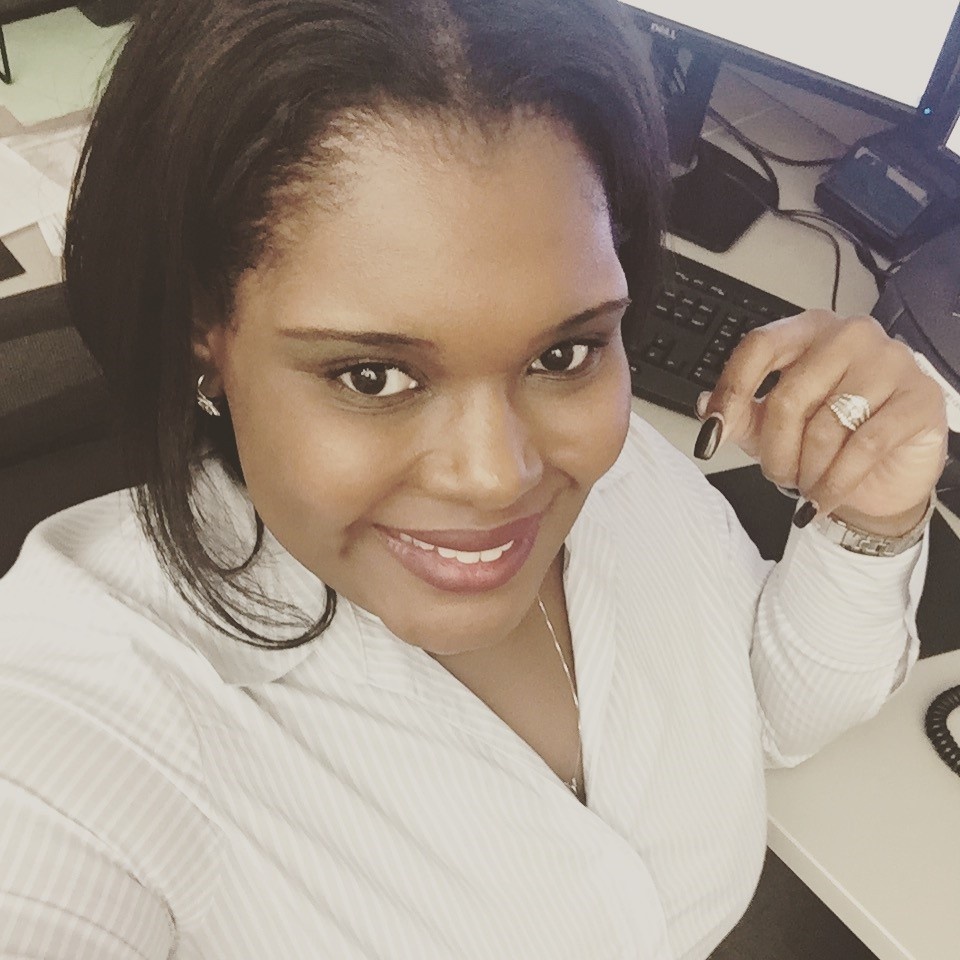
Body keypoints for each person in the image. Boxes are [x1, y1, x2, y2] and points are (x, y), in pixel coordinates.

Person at [0, 0, 948, 957]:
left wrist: (871, 520)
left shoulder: (630, 474)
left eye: (563, 352)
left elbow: (770, 717)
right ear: (204, 338)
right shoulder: (83, 709)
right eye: (372, 376)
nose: (499, 476)